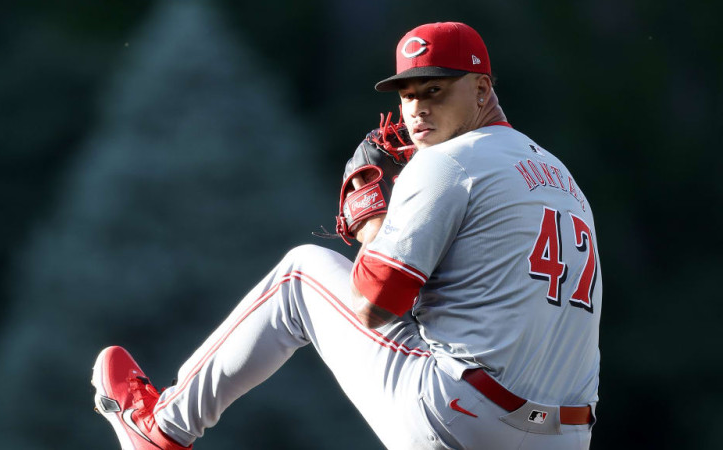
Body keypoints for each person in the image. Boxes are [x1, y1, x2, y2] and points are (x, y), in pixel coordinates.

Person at [92, 21, 602, 450]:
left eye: (436, 90)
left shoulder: (448, 163)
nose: (418, 109)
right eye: (408, 94)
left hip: (463, 416)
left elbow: (375, 302)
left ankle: (161, 429)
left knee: (299, 274)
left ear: (483, 90)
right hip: (564, 435)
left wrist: (369, 217)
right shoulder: (563, 181)